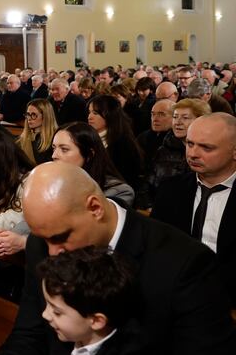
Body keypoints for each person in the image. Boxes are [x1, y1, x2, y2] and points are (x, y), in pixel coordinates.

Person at [0, 161, 236, 355]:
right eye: (44, 240)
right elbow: (31, 334)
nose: (53, 254)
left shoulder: (184, 263)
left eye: (61, 237)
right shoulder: (42, 243)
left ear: (94, 208)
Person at [152, 113, 236, 306]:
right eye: (190, 144)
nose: (193, 154)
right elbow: (157, 249)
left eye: (206, 147)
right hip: (176, 297)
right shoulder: (171, 189)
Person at [37, 246, 144, 355]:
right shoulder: (64, 335)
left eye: (57, 312)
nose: (45, 314)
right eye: (47, 303)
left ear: (97, 321)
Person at [52, 122, 135, 207]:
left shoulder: (119, 191)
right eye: (54, 148)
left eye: (64, 149)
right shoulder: (53, 184)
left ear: (89, 155)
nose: (54, 155)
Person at [147, 98, 211, 199]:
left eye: (185, 118)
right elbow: (147, 184)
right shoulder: (163, 150)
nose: (178, 122)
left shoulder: (210, 152)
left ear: (200, 120)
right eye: (175, 117)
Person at [87, 95, 143, 189]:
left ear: (109, 115)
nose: (89, 117)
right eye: (89, 112)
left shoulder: (123, 145)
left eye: (95, 113)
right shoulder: (89, 138)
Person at [17, 99, 58, 164]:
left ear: (45, 116)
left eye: (33, 115)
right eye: (28, 114)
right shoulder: (22, 139)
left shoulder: (56, 139)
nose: (29, 118)